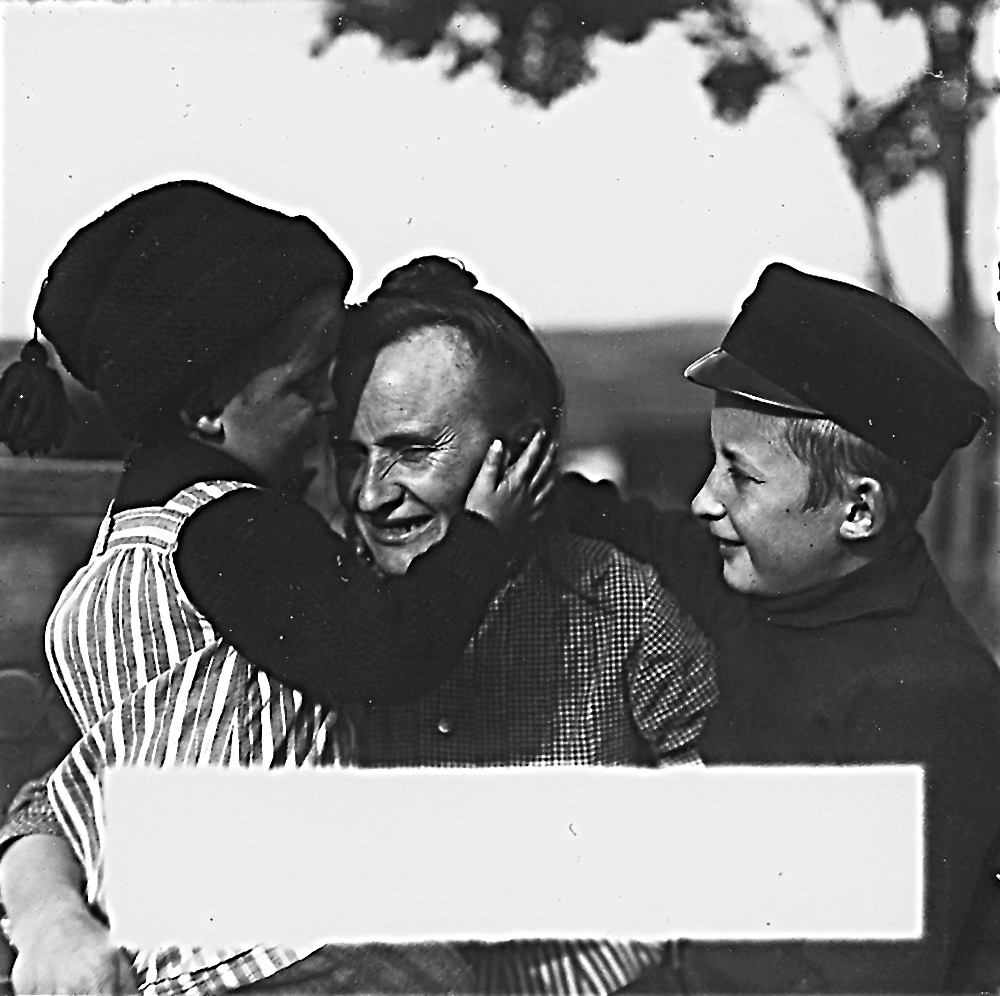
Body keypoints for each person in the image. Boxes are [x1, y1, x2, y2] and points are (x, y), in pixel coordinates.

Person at [0, 182, 554, 996]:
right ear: (206, 410)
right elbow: (390, 650)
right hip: (300, 941)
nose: (331, 404)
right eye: (307, 383)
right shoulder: (239, 529)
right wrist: (480, 539)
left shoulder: (120, 554)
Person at [560, 261, 1000, 994]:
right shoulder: (762, 574)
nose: (704, 500)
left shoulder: (925, 698)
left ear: (858, 511)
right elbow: (624, 528)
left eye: (741, 474)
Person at [330, 256, 720, 996]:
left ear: (523, 456)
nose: (372, 495)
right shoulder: (327, 607)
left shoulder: (618, 605)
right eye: (352, 456)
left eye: (412, 450)